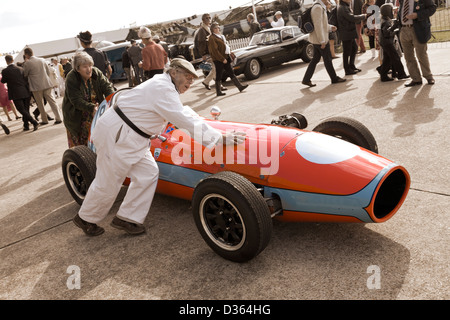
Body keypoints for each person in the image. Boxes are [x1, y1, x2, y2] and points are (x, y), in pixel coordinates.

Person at [72, 58, 246, 236]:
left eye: (192, 79)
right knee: (109, 180)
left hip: (131, 136)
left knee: (148, 173)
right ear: (173, 73)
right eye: (187, 77)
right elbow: (183, 119)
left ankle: (127, 218)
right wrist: (219, 138)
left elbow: (182, 112)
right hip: (118, 134)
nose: (190, 82)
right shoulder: (162, 88)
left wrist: (213, 132)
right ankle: (86, 218)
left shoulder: (165, 87)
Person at [62, 52, 115, 148]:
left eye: (90, 65)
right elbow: (76, 101)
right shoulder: (71, 78)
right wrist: (92, 108)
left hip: (96, 110)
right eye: (85, 67)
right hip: (77, 114)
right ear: (77, 68)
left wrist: (112, 99)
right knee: (82, 147)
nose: (89, 69)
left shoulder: (96, 72)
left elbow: (107, 87)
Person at [302, 0, 347, 87]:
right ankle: (334, 78)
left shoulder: (319, 7)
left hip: (317, 39)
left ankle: (306, 79)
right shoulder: (317, 8)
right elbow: (318, 26)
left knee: (315, 59)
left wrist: (330, 27)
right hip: (320, 40)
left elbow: (322, 24)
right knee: (328, 59)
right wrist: (322, 41)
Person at [398, 0, 436, 87]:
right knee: (408, 56)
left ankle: (428, 76)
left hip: (418, 29)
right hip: (404, 30)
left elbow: (432, 8)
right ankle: (416, 79)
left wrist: (417, 15)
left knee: (421, 54)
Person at [22, 47, 62, 125]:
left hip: (36, 86)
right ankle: (58, 118)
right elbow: (47, 72)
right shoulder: (42, 60)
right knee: (52, 101)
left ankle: (44, 120)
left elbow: (25, 74)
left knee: (40, 104)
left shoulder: (27, 63)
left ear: (26, 55)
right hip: (46, 83)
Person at [208, 22, 248, 96]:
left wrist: (230, 52)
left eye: (218, 27)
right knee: (219, 75)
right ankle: (218, 91)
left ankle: (240, 86)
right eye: (215, 28)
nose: (217, 29)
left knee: (231, 72)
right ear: (212, 30)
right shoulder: (212, 38)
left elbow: (225, 46)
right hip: (218, 60)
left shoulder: (220, 36)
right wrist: (222, 59)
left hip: (225, 57)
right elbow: (214, 51)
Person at [1, 55, 39, 131]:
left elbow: (3, 81)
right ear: (13, 60)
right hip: (25, 91)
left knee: (21, 109)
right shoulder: (21, 69)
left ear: (6, 61)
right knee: (26, 109)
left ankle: (33, 122)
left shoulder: (5, 71)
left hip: (15, 92)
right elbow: (25, 79)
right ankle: (26, 125)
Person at [193, 13, 226, 92]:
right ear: (203, 20)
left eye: (209, 18)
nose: (208, 19)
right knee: (215, 68)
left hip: (213, 52)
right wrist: (203, 54)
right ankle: (216, 85)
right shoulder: (202, 30)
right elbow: (201, 43)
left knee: (215, 69)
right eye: (206, 18)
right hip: (208, 53)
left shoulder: (208, 28)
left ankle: (207, 82)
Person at [337, 0, 370, 75]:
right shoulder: (343, 8)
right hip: (346, 33)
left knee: (354, 48)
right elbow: (352, 17)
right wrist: (363, 16)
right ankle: (347, 69)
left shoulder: (345, 6)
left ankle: (351, 66)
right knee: (346, 52)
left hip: (349, 32)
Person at [378, 3, 409, 81]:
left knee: (387, 60)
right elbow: (387, 33)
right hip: (387, 43)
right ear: (388, 12)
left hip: (385, 42)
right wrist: (395, 29)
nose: (393, 12)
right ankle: (401, 74)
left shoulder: (384, 19)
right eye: (391, 11)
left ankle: (383, 75)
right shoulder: (386, 22)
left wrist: (394, 27)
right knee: (396, 58)